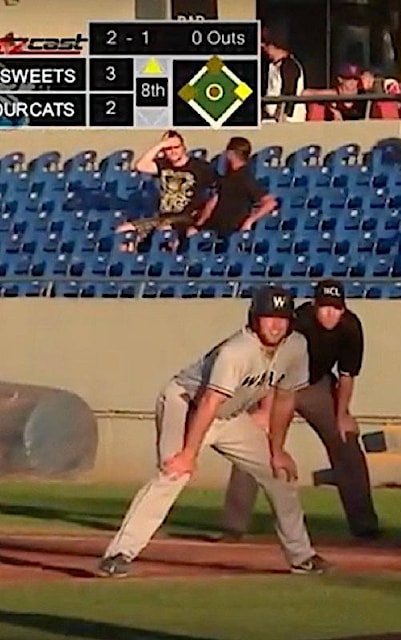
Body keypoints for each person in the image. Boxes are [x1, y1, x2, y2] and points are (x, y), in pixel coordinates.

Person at [97, 286, 330, 577]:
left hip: (229, 416)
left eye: (282, 318)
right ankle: (119, 553)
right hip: (186, 404)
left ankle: (301, 557)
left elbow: (285, 398)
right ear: (254, 319)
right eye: (268, 316)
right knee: (174, 473)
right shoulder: (237, 350)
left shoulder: (295, 347)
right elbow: (209, 401)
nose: (275, 324)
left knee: (278, 474)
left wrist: (277, 449)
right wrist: (188, 454)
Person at [218, 280, 380, 540]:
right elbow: (274, 368)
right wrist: (264, 411)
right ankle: (233, 525)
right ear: (314, 306)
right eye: (325, 307)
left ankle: (364, 524)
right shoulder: (299, 324)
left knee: (346, 441)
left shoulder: (350, 327)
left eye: (336, 308)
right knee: (254, 444)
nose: (330, 314)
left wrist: (342, 415)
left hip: (316, 384)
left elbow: (347, 375)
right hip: (277, 383)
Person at [116, 130, 216, 251]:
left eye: (176, 147)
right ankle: (129, 262)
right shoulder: (163, 164)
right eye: (169, 148)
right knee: (123, 230)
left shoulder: (200, 167)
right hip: (162, 217)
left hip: (185, 217)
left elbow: (216, 191)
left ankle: (171, 262)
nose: (173, 151)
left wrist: (202, 218)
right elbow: (140, 166)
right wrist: (161, 145)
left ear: (183, 147)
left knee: (165, 231)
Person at [191, 136, 277, 238]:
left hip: (230, 230)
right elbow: (213, 202)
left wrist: (249, 221)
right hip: (214, 226)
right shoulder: (226, 177)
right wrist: (199, 224)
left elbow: (270, 202)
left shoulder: (246, 177)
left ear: (230, 154)